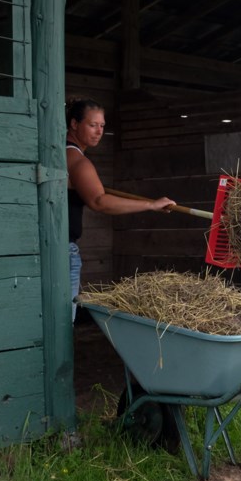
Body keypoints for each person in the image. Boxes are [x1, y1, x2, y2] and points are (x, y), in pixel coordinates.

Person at [65, 98, 176, 322]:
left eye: (102, 126)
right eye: (92, 125)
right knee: (65, 319)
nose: (98, 131)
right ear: (74, 124)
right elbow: (99, 201)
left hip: (59, 247)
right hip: (64, 250)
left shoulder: (65, 154)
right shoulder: (77, 160)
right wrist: (150, 205)